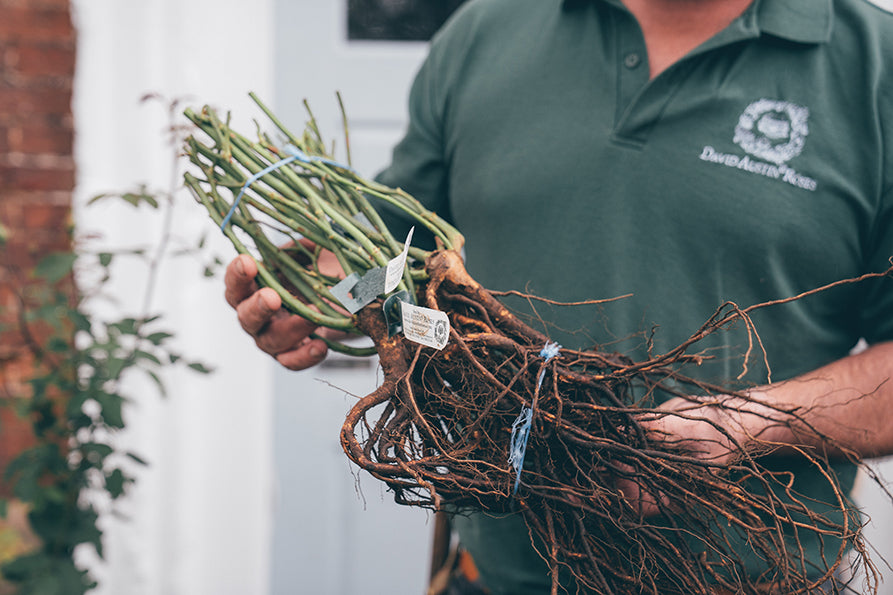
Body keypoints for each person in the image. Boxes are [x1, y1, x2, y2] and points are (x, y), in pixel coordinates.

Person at [224, 0, 893, 592]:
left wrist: (740, 426)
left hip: (755, 579)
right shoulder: (487, 29)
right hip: (497, 574)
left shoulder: (874, 67)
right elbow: (395, 262)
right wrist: (326, 298)